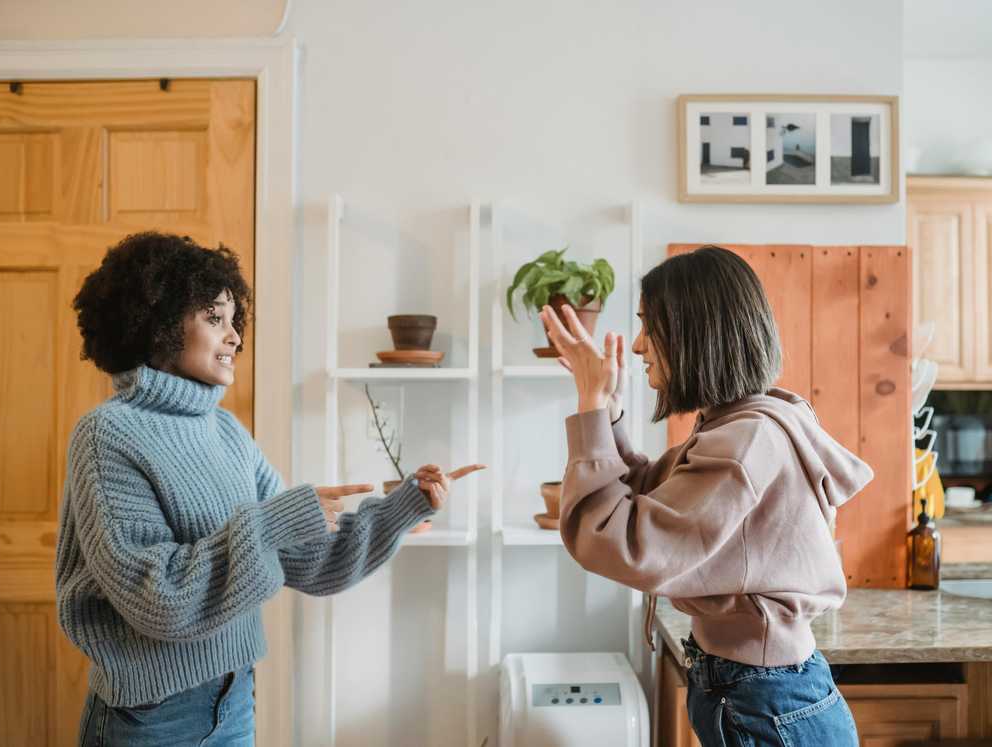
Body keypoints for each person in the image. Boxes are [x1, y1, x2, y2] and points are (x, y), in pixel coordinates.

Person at [56, 232, 482, 746]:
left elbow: (312, 559)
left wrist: (401, 508)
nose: (235, 337)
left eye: (235, 319)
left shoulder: (228, 433)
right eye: (214, 319)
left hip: (234, 700)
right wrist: (276, 519)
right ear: (158, 324)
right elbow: (158, 598)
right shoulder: (107, 435)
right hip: (152, 718)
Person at [540, 246, 871, 747]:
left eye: (650, 325)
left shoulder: (744, 441)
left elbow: (620, 541)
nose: (638, 345)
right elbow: (651, 492)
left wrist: (590, 406)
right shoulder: (743, 425)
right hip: (766, 694)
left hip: (764, 701)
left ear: (697, 332)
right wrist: (605, 409)